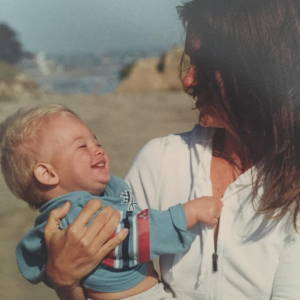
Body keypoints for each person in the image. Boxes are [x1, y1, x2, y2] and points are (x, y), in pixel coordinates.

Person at [42, 0, 300, 299]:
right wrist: (66, 282)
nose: (187, 79)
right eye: (189, 61)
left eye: (206, 63)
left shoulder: (293, 183)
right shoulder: (160, 160)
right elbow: (108, 279)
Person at [0, 104, 223, 300]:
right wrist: (186, 215)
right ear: (48, 174)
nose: (98, 149)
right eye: (82, 146)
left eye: (96, 142)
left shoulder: (96, 199)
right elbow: (132, 235)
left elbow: (130, 207)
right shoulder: (76, 213)